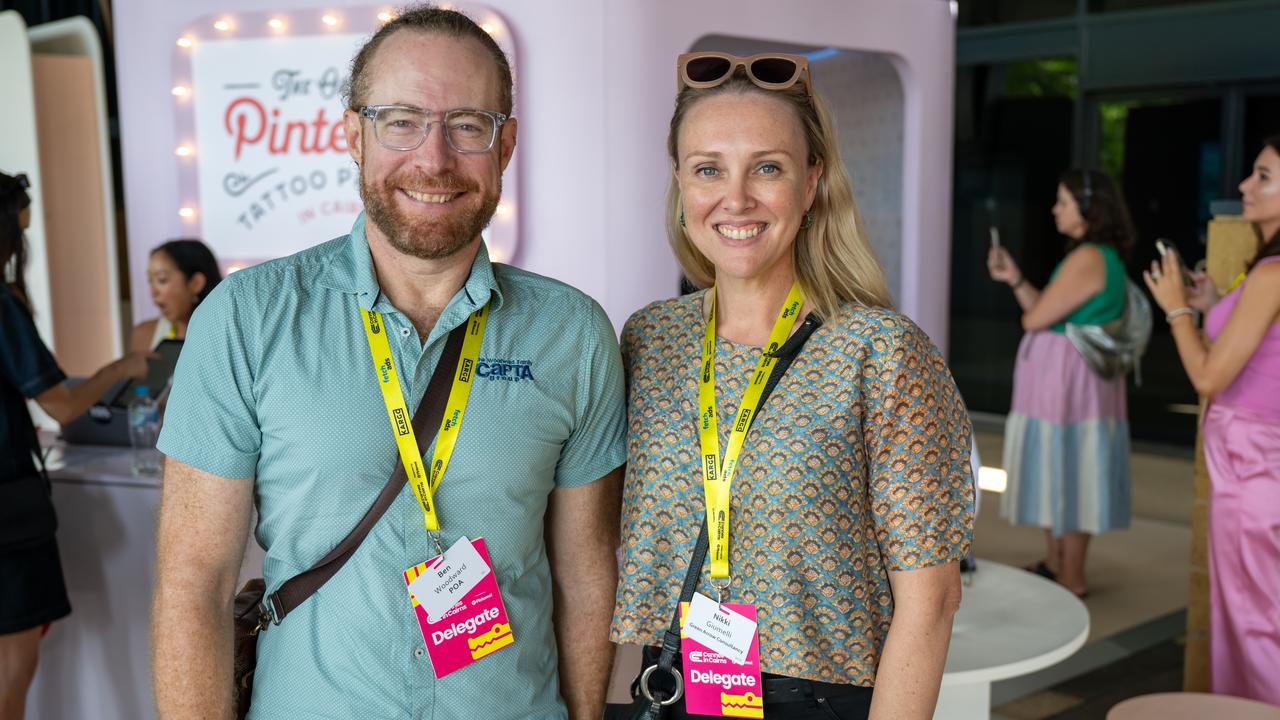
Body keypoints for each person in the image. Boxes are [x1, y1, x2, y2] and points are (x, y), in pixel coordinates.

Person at [150, 7, 625, 719]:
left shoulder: (573, 334)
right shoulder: (245, 319)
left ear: (507, 143)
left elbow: (585, 576)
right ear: (352, 135)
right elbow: (196, 583)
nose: (433, 160)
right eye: (401, 120)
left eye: (469, 125)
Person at [609, 53, 974, 720]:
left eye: (767, 168)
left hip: (816, 701)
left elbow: (932, 601)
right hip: (669, 688)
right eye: (709, 168)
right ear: (681, 185)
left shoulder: (880, 352)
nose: (736, 197)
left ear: (812, 183)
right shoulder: (649, 339)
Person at [0, 171, 149, 719]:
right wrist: (120, 368)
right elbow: (60, 405)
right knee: (11, 674)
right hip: (9, 520)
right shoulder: (2, 305)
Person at [1143, 134, 1280, 705]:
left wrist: (1175, 307)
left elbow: (1207, 377)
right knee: (1254, 610)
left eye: (1265, 176)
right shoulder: (1265, 271)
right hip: (1253, 462)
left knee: (1253, 621)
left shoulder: (1273, 272)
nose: (1245, 186)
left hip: (1254, 468)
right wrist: (1213, 303)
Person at [987, 169, 1136, 598]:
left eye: (1064, 202)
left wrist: (1026, 302)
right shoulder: (1091, 256)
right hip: (1069, 381)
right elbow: (1043, 310)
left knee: (1071, 467)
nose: (1056, 209)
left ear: (1090, 208)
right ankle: (1058, 564)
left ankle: (1072, 574)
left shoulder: (1088, 257)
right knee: (1064, 465)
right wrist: (1015, 278)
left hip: (1071, 383)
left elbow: (1035, 319)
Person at [127, 239, 222, 351]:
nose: (153, 292)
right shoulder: (145, 335)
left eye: (162, 280)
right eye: (150, 280)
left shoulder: (224, 334)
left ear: (196, 283)